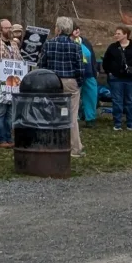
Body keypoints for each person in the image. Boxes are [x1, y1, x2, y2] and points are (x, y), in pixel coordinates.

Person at [41, 17, 85, 158]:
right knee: (71, 115)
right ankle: (74, 148)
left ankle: (52, 144)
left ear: (58, 29)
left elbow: (42, 65)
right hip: (70, 81)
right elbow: (80, 68)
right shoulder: (75, 46)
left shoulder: (48, 44)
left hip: (53, 81)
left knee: (52, 113)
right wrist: (79, 82)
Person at [102, 27, 132, 131]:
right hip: (116, 79)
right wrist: (110, 72)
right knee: (117, 101)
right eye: (115, 33)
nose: (116, 35)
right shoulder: (112, 47)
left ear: (125, 34)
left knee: (130, 101)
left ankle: (130, 123)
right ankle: (117, 123)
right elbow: (106, 61)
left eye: (118, 33)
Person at [0, 19, 21, 147]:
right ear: (0, 30)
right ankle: (0, 139)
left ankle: (8, 137)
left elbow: (20, 61)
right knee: (0, 112)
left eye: (11, 27)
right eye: (7, 28)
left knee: (10, 113)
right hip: (0, 83)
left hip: (14, 84)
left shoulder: (14, 45)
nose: (10, 30)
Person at [74, 27, 99, 127]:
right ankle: (74, 118)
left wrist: (94, 70)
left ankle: (90, 119)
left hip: (89, 74)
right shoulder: (68, 42)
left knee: (91, 96)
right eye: (73, 29)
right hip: (74, 75)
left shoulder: (85, 41)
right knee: (74, 98)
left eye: (77, 29)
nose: (76, 31)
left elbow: (92, 56)